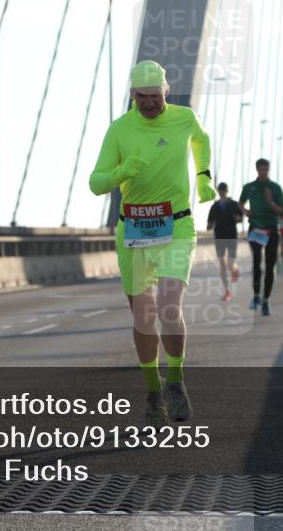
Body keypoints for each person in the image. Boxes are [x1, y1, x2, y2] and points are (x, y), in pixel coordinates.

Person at [89, 60, 216, 426]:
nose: (148, 104)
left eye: (154, 97)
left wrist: (204, 177)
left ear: (166, 91)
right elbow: (96, 183)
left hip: (176, 226)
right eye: (141, 97)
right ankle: (152, 392)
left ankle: (175, 380)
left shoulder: (183, 117)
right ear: (132, 95)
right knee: (143, 317)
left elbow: (201, 140)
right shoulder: (119, 130)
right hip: (134, 231)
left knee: (168, 307)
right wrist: (120, 173)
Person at [238, 159, 283, 316]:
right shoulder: (249, 187)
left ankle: (266, 299)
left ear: (269, 170)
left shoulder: (275, 188)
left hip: (271, 228)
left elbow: (281, 211)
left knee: (270, 266)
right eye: (261, 169)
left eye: (266, 169)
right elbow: (241, 202)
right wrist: (245, 211)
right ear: (257, 170)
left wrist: (270, 201)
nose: (263, 171)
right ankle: (256, 296)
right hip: (256, 227)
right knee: (256, 262)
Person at [207, 182, 243, 301]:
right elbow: (210, 223)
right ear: (218, 191)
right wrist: (209, 225)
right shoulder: (215, 206)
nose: (222, 192)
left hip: (232, 236)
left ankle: (235, 268)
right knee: (222, 263)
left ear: (227, 191)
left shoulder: (234, 204)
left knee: (229, 264)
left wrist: (237, 218)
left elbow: (240, 218)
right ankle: (227, 291)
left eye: (224, 190)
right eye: (220, 190)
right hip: (219, 237)